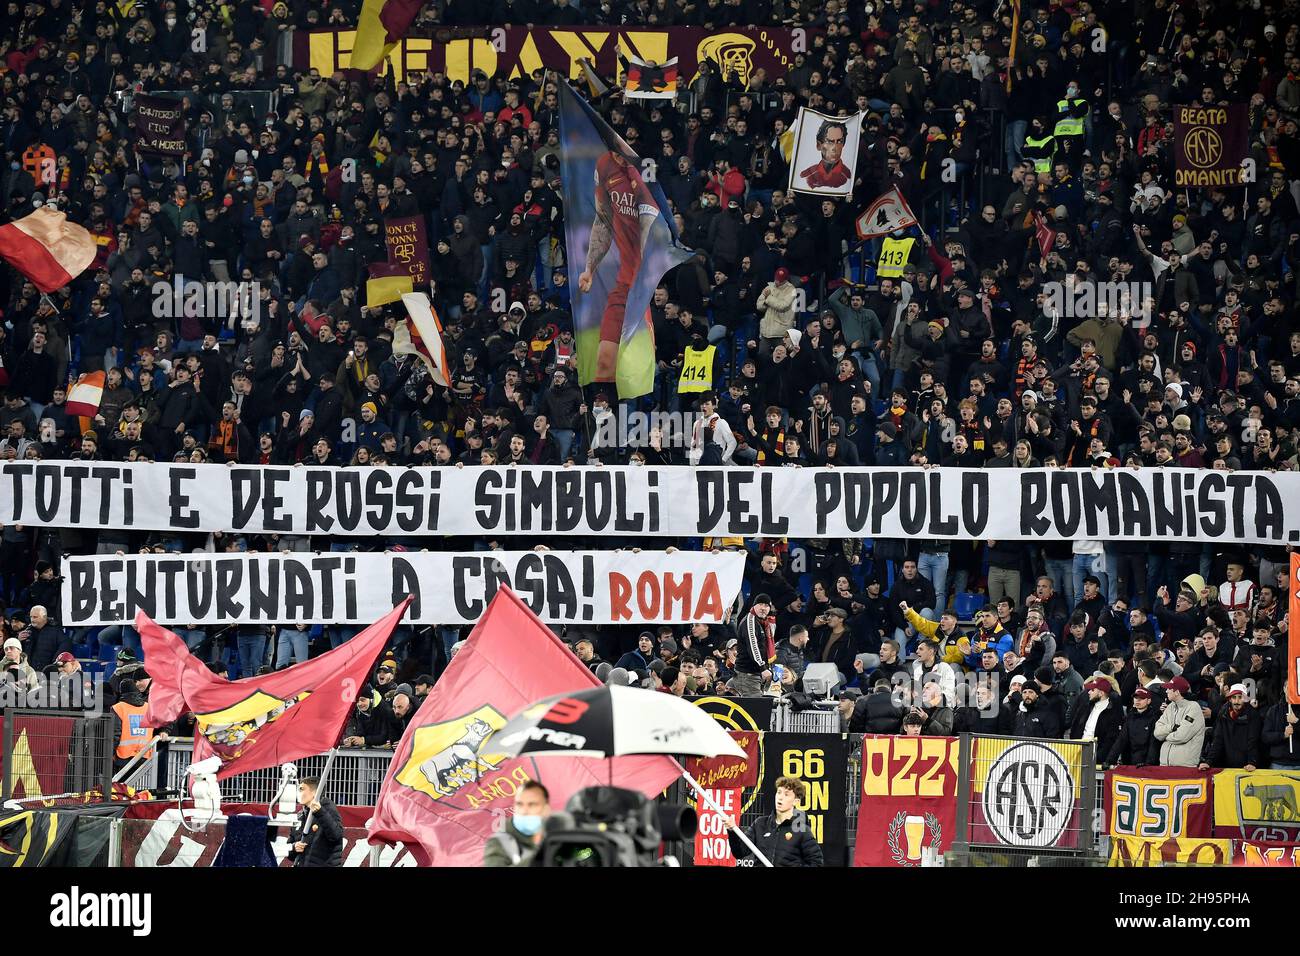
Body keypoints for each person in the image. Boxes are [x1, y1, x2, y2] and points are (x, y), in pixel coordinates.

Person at [577, 128, 662, 383]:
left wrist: (644, 282)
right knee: (604, 364)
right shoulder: (604, 165)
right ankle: (601, 416)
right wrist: (589, 268)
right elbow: (603, 219)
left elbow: (650, 223)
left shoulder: (646, 171)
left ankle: (638, 417)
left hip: (650, 287)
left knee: (637, 372)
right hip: (625, 282)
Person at [726, 776, 823, 867]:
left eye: (786, 794)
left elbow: (816, 862)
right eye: (779, 792)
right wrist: (732, 831)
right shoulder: (760, 824)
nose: (780, 797)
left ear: (795, 801)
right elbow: (740, 852)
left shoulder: (801, 829)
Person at [484, 780, 552, 867]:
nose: (524, 811)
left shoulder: (560, 828)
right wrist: (538, 858)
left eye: (532, 805)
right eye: (519, 804)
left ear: (546, 809)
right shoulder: (500, 842)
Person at [1199, 683, 1262, 771]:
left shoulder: (1253, 715)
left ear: (1245, 699)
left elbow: (1253, 741)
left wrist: (1252, 762)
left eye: (1240, 697)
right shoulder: (1223, 713)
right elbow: (1218, 739)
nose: (1237, 701)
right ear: (1230, 699)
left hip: (1246, 767)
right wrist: (1209, 761)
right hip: (1226, 765)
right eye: (1234, 697)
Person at [288, 776, 344, 867]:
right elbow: (290, 853)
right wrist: (294, 847)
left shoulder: (328, 808)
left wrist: (320, 812)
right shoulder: (299, 816)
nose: (298, 793)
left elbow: (336, 835)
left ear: (315, 792)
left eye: (301, 789)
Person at [1154, 676, 1207, 768]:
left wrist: (1166, 736)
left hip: (1185, 767)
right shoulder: (1170, 707)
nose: (1166, 691)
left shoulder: (1193, 707)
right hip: (1165, 765)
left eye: (1169, 689)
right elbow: (1157, 733)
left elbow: (1181, 736)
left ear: (1177, 692)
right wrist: (1171, 728)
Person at [798, 119, 851, 190]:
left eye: (839, 141)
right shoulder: (806, 175)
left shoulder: (849, 176)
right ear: (819, 145)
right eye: (830, 142)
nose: (834, 148)